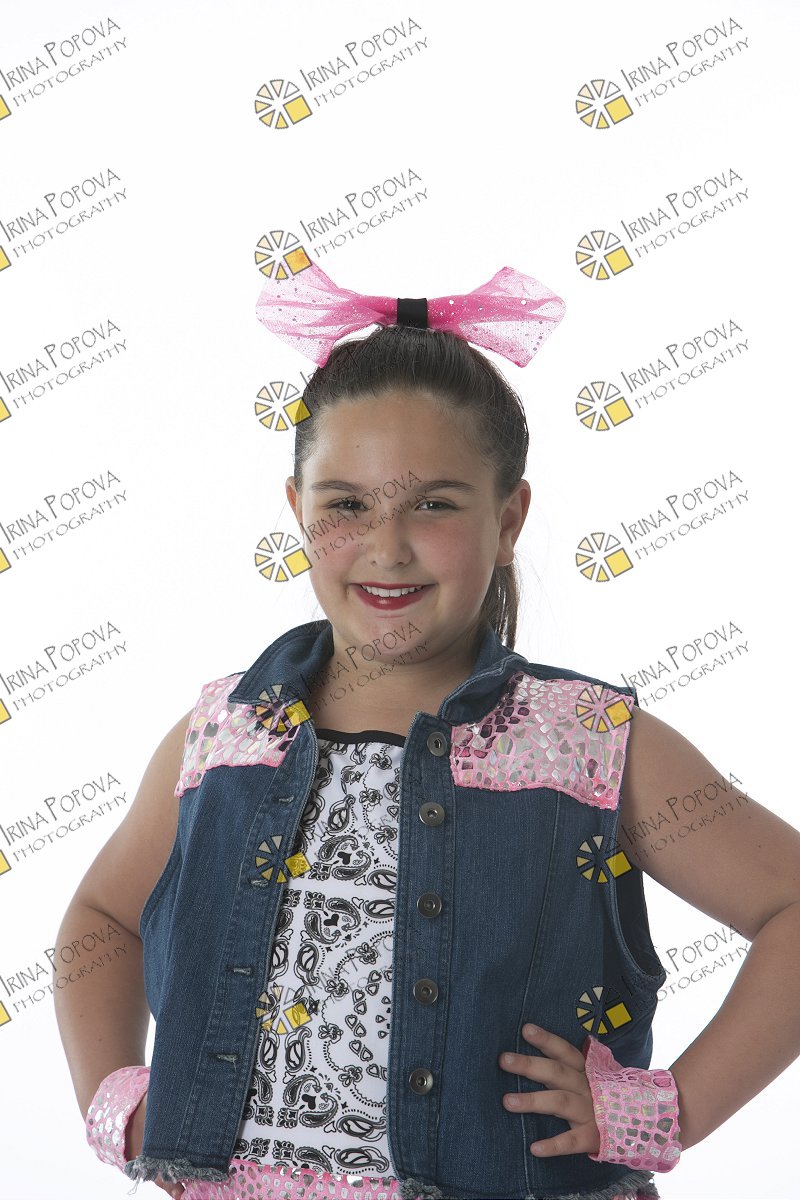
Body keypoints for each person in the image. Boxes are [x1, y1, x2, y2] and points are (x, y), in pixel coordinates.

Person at [55, 262, 800, 1200]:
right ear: (298, 513)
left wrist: (665, 1111)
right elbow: (101, 920)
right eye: (347, 505)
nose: (388, 545)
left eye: (435, 504)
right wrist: (118, 1100)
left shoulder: (588, 744)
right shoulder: (225, 736)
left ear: (509, 518)